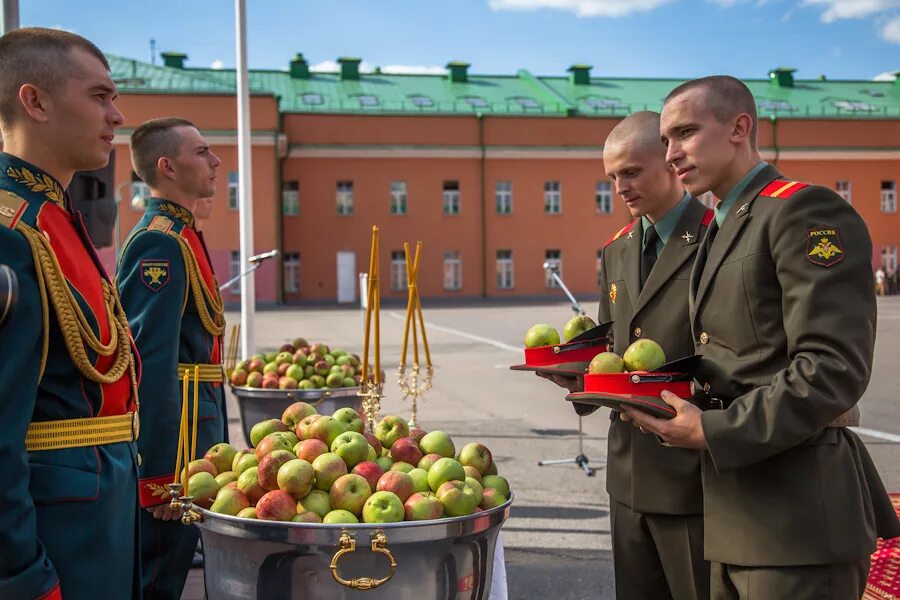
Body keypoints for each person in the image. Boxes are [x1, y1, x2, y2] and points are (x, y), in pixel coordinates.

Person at [624, 75, 900, 599]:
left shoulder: (802, 210)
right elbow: (730, 359)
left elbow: (831, 369)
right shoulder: (722, 227)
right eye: (664, 141)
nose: (672, 153)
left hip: (798, 522)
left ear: (739, 128)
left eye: (684, 132)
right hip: (734, 516)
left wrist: (714, 431)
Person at [546, 111, 713, 599]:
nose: (620, 187)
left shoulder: (715, 238)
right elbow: (610, 349)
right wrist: (577, 377)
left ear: (670, 161)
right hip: (628, 473)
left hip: (690, 472)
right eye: (612, 177)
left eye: (632, 172)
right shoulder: (617, 249)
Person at [0, 28, 140, 599]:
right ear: (35, 102)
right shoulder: (12, 231)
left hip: (97, 517)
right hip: (55, 538)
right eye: (100, 96)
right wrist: (22, 577)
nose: (117, 114)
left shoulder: (52, 216)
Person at [117, 118, 227, 599]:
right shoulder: (159, 241)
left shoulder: (182, 233)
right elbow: (149, 360)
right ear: (167, 166)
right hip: (176, 443)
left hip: (195, 431)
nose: (215, 160)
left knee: (173, 569)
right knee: (156, 578)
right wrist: (160, 474)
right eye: (201, 151)